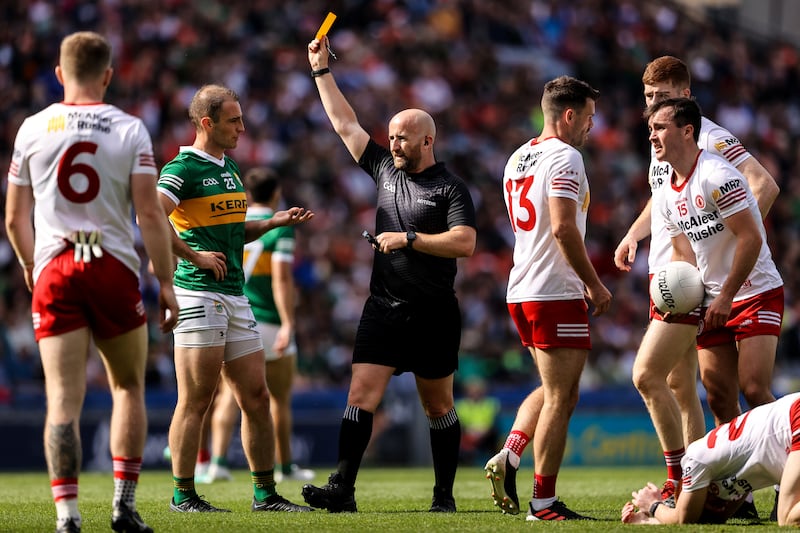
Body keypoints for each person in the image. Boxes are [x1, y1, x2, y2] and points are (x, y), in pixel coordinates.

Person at [4, 31, 179, 533]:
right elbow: (149, 212)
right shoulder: (130, 129)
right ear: (107, 75)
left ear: (59, 73)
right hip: (112, 265)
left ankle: (67, 517)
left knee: (62, 398)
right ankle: (123, 509)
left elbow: (15, 219)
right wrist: (165, 281)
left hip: (56, 266)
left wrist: (30, 265)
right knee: (127, 387)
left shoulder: (33, 128)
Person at [301, 35, 477, 513]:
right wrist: (321, 71)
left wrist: (411, 240)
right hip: (383, 308)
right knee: (361, 394)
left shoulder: (450, 188)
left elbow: (466, 242)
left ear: (427, 140)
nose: (394, 143)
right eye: (392, 136)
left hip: (434, 313)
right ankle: (343, 489)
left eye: (403, 137)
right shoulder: (383, 168)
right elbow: (343, 123)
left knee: (438, 406)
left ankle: (444, 496)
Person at [612, 55, 780, 509]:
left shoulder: (708, 138)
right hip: (682, 277)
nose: (652, 108)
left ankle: (705, 480)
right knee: (696, 389)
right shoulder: (660, 142)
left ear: (685, 98)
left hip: (712, 283)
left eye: (662, 98)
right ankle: (717, 486)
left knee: (722, 386)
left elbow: (762, 184)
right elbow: (663, 199)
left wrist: (733, 238)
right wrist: (632, 234)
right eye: (648, 99)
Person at [157, 84, 314, 513]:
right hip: (197, 292)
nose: (243, 127)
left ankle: (265, 495)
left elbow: (232, 233)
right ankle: (183, 496)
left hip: (234, 295)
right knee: (196, 399)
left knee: (257, 397)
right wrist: (192, 255)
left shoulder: (229, 168)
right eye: (234, 120)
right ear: (207, 123)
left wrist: (272, 222)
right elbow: (149, 213)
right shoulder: (183, 167)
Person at [485, 75, 612, 521]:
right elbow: (560, 227)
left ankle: (512, 453)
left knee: (554, 387)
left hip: (522, 288)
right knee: (563, 397)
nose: (591, 128)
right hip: (554, 290)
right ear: (569, 115)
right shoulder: (566, 157)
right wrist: (594, 284)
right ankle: (543, 503)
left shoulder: (518, 157)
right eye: (589, 118)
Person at [195, 167, 315, 484]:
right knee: (278, 399)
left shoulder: (235, 223)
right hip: (270, 321)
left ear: (247, 195)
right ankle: (284, 467)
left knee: (227, 397)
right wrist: (289, 323)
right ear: (276, 194)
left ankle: (217, 463)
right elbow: (282, 277)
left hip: (235, 315)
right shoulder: (279, 227)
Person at [621, 392, 800, 526]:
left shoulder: (696, 458)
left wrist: (653, 505)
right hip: (792, 419)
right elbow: (700, 519)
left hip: (795, 419)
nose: (722, 508)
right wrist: (645, 521)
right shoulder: (730, 471)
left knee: (787, 518)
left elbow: (685, 519)